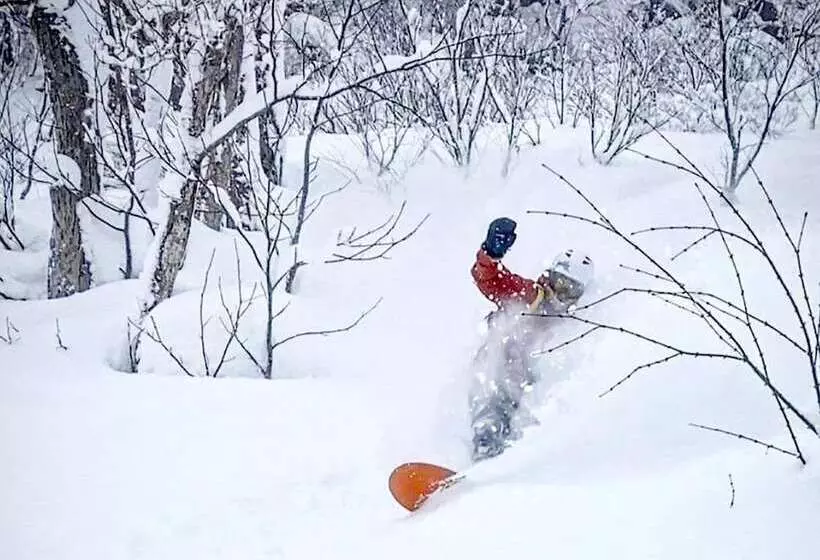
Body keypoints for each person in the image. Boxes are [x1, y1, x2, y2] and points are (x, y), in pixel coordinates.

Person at [467, 217, 593, 461]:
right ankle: (485, 443)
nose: (560, 293)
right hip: (494, 371)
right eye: (558, 283)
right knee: (501, 385)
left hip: (524, 386)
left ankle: (520, 454)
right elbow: (490, 279)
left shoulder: (570, 327)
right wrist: (490, 254)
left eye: (569, 289)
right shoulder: (531, 296)